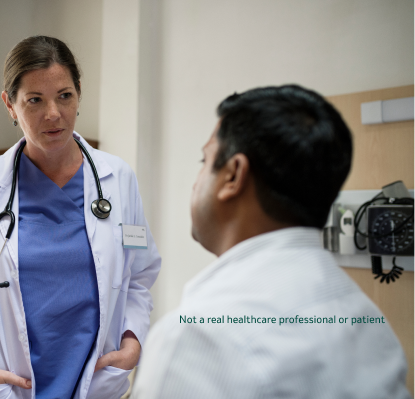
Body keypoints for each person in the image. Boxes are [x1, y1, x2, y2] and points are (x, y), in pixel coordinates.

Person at [0, 36, 161, 399]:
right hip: (0, 388)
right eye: (35, 100)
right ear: (10, 105)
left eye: (65, 95)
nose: (53, 113)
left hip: (94, 385)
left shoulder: (118, 180)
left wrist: (133, 340)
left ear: (78, 95)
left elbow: (139, 276)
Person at [132, 85, 411, 398]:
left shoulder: (198, 337)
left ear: (233, 175)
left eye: (204, 161)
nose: (196, 183)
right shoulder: (364, 316)